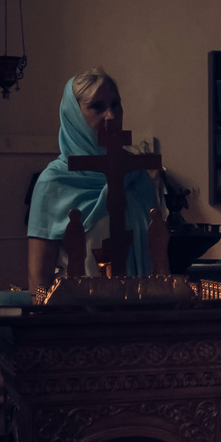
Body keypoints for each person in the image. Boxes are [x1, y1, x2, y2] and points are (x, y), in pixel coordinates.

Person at [26, 70, 160, 286]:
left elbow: (158, 254)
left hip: (141, 309)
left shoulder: (136, 175)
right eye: (97, 107)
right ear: (74, 117)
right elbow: (39, 277)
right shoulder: (54, 182)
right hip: (79, 314)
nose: (111, 116)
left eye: (115, 104)